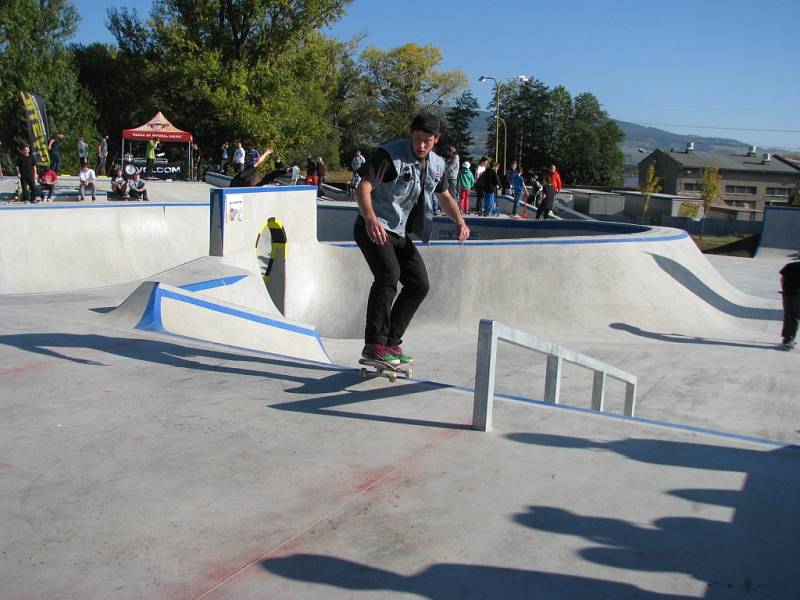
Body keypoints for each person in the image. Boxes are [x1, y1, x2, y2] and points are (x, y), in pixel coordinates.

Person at [354, 112, 470, 365]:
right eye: (417, 138)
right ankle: (374, 344)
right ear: (411, 133)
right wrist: (371, 217)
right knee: (388, 275)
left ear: (436, 140)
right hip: (372, 225)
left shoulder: (437, 165)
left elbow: (445, 196)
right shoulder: (389, 155)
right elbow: (363, 186)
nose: (420, 145)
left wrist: (459, 220)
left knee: (419, 284)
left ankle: (391, 343)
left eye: (427, 141)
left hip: (399, 232)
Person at [779, 257, 800, 350]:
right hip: (797, 296)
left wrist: (784, 290)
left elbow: (782, 279)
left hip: (787, 294)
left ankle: (787, 338)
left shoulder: (789, 266)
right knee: (795, 316)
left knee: (789, 315)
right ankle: (789, 339)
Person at [444, 146, 459, 214]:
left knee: (452, 193)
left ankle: (455, 209)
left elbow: (449, 168)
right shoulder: (453, 159)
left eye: (449, 152)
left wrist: (445, 164)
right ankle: (451, 208)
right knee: (449, 193)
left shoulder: (455, 159)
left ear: (452, 152)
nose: (448, 154)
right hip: (450, 177)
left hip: (452, 178)